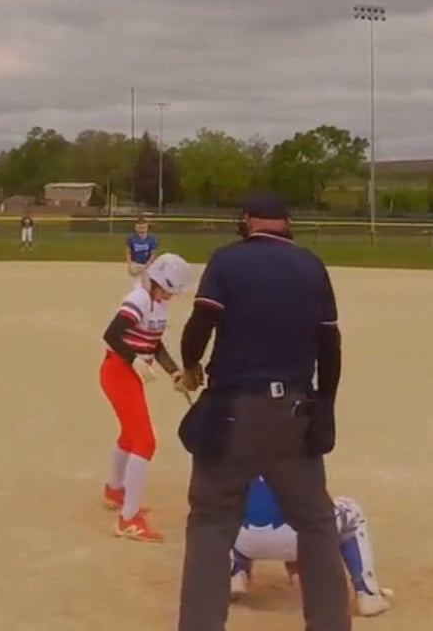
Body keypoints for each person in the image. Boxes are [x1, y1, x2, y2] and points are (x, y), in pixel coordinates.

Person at [175, 193, 347, 630]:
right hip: (294, 414)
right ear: (286, 224)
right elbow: (329, 346)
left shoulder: (227, 261)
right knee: (316, 524)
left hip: (232, 413)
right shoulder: (312, 266)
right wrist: (325, 405)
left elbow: (199, 327)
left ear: (248, 221)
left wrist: (191, 366)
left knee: (211, 524)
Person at [99, 253, 192, 542]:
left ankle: (115, 489)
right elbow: (112, 334)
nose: (170, 296)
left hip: (126, 373)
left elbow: (155, 343)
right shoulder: (139, 299)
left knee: (131, 435)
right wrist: (134, 360)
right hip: (118, 371)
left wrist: (173, 372)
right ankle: (128, 519)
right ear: (155, 282)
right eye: (168, 289)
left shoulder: (157, 304)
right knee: (145, 441)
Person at [231, 476, 393, 617]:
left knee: (229, 506)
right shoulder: (297, 447)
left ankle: (235, 574)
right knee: (351, 511)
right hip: (298, 536)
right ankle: (368, 593)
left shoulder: (233, 447)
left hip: (240, 539)